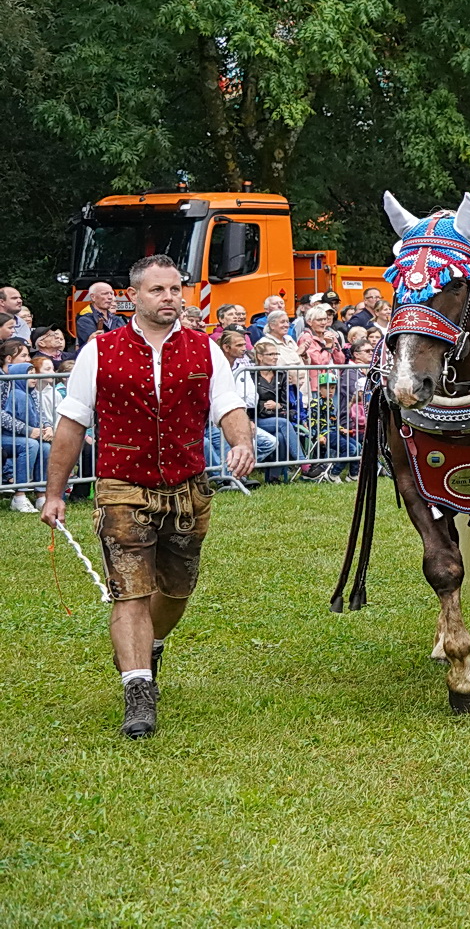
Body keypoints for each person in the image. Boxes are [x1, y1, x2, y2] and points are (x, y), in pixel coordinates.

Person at [40, 254, 254, 739]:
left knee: (176, 591)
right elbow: (72, 424)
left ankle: (149, 647)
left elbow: (228, 405)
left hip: (187, 489)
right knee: (130, 591)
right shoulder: (100, 350)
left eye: (176, 289)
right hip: (122, 487)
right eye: (158, 290)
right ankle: (138, 692)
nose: (170, 299)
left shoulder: (205, 349)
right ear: (131, 297)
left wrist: (241, 441)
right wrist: (55, 494)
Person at [205, 329, 275, 487]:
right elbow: (215, 398)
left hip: (238, 416)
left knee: (268, 442)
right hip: (212, 421)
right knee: (210, 444)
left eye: (245, 344)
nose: (245, 348)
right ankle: (227, 478)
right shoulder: (214, 363)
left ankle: (234, 474)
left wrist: (242, 418)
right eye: (239, 345)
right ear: (226, 347)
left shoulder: (243, 367)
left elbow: (252, 399)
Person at [1, 337, 49, 512]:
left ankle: (41, 495)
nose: (28, 359)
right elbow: (2, 416)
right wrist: (29, 431)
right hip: (5, 435)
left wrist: (47, 427)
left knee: (44, 447)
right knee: (30, 445)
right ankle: (19, 495)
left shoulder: (30, 390)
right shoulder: (5, 384)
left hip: (23, 434)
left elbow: (40, 411)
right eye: (24, 355)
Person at [251, 339, 305, 482]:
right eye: (271, 354)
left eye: (276, 353)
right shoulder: (250, 374)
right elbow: (248, 401)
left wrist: (278, 405)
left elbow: (287, 404)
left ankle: (273, 477)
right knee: (283, 424)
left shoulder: (281, 374)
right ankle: (304, 464)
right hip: (255, 418)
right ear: (260, 357)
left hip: (276, 415)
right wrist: (263, 405)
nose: (275, 357)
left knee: (280, 437)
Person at [76, 281, 127, 348]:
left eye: (111, 293)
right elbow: (98, 346)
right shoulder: (85, 320)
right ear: (93, 297)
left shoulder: (118, 320)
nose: (110, 297)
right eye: (105, 294)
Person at [297, 303, 347, 367]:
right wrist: (328, 346)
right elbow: (319, 362)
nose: (323, 323)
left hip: (333, 375)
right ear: (309, 322)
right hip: (316, 376)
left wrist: (334, 347)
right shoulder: (306, 337)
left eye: (325, 319)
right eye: (319, 320)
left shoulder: (330, 335)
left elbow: (341, 361)